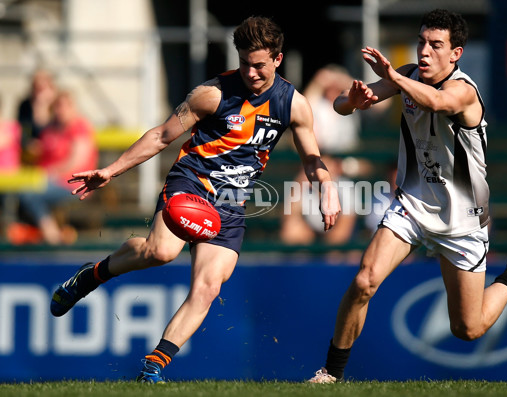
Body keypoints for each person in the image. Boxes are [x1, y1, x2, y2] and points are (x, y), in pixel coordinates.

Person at [49, 16, 341, 383]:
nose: (251, 73)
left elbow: (312, 157)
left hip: (232, 203)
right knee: (160, 253)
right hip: (192, 182)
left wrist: (327, 189)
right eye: (245, 63)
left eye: (260, 65)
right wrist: (112, 170)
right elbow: (161, 136)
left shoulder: (293, 105)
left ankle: (153, 367)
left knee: (208, 287)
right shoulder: (212, 94)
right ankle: (91, 275)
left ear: (278, 60)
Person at [308, 9, 507, 383]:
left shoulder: (463, 90)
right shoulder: (409, 75)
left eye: (436, 45)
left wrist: (392, 77)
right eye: (421, 42)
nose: (425, 51)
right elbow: (341, 106)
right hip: (411, 205)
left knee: (468, 328)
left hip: (462, 220)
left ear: (456, 53)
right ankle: (331, 373)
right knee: (364, 281)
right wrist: (355, 99)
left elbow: (437, 103)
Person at [17, 90, 97, 245]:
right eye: (58, 106)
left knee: (29, 194)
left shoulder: (79, 127)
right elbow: (39, 153)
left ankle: (51, 235)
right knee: (20, 191)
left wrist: (49, 173)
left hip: (71, 183)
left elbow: (76, 162)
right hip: (46, 179)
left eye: (65, 106)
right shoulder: (50, 128)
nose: (61, 110)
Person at [17, 69, 57, 164]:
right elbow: (23, 129)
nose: (40, 92)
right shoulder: (25, 105)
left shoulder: (58, 105)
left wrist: (42, 106)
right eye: (37, 88)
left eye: (42, 88)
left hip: (52, 150)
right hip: (31, 152)